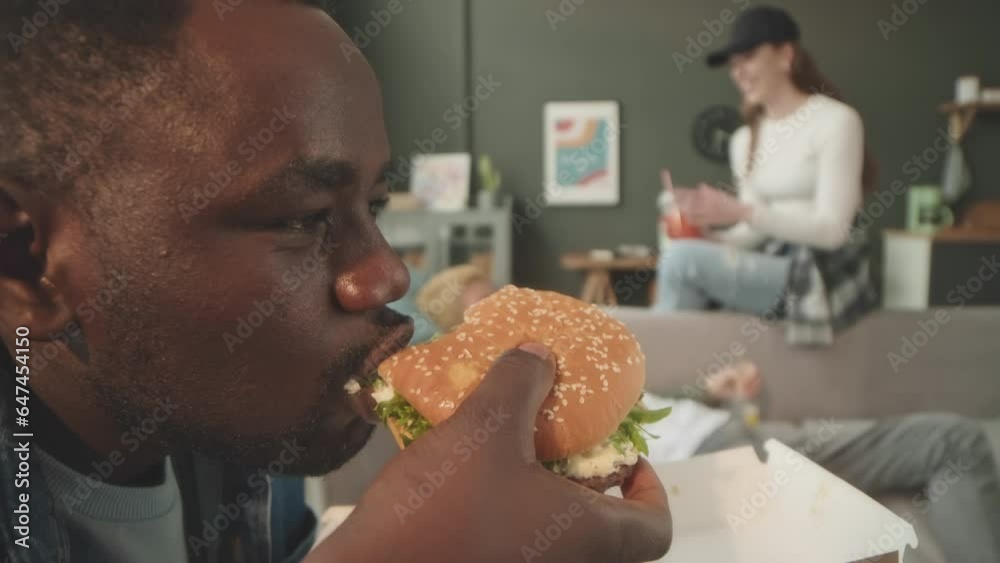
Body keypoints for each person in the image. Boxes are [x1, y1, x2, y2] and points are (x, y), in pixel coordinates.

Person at [0, 3, 672, 563]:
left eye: (374, 206)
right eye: (301, 217)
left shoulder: (245, 436)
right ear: (27, 267)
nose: (389, 275)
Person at [654, 5, 878, 345]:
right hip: (774, 262)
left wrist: (741, 211)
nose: (738, 72)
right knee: (683, 254)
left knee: (682, 262)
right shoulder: (744, 140)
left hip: (825, 271)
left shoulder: (836, 121)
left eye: (747, 57)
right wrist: (708, 235)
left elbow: (834, 231)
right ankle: (690, 373)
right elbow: (753, 232)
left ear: (785, 55)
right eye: (733, 64)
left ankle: (654, 368)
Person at [643, 364, 1000, 563]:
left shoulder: (617, 367)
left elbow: (653, 400)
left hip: (735, 429)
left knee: (954, 441)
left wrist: (708, 389)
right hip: (710, 464)